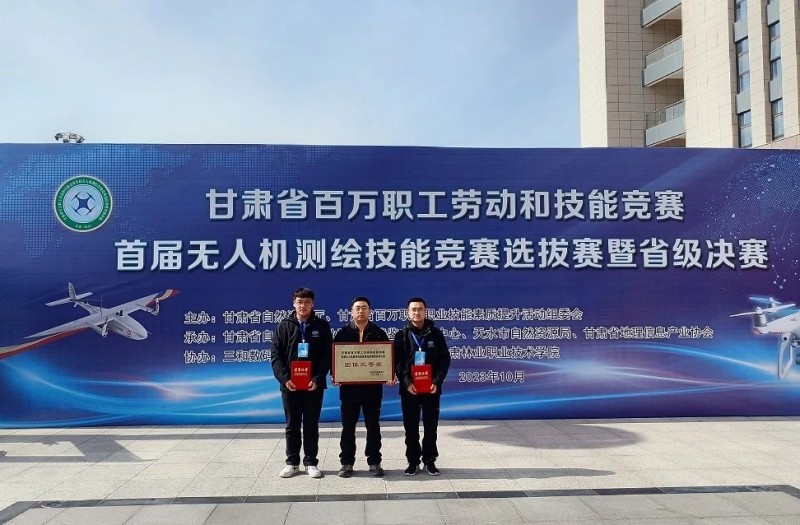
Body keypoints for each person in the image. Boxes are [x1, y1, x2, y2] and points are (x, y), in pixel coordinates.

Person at [271, 287, 332, 478]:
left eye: (307, 302)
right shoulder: (284, 326)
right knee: (292, 425)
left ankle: (311, 462)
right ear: (293, 304)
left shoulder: (322, 326)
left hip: (313, 385)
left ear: (313, 304)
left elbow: (327, 356)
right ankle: (292, 462)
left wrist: (317, 378)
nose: (303, 306)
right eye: (299, 302)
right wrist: (285, 379)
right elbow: (276, 356)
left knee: (311, 425)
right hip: (290, 385)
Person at [332, 296, 391, 478]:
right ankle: (346, 463)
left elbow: (387, 359)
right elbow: (334, 358)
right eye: (357, 308)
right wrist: (335, 374)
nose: (361, 311)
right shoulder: (342, 334)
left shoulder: (379, 333)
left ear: (369, 311)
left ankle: (374, 462)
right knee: (348, 427)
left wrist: (389, 374)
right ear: (351, 311)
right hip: (349, 391)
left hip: (372, 391)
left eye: (364, 307)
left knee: (373, 427)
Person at [394, 297, 451, 476]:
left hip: (431, 389)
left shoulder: (436, 334)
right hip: (409, 390)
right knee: (410, 427)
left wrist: (437, 382)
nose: (417, 312)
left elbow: (444, 360)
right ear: (408, 313)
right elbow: (398, 363)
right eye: (413, 309)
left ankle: (430, 461)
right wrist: (407, 382)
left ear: (425, 312)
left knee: (430, 427)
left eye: (420, 309)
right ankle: (413, 462)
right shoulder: (401, 335)